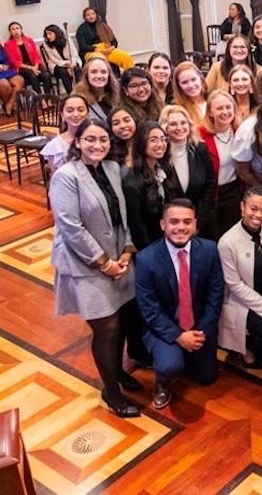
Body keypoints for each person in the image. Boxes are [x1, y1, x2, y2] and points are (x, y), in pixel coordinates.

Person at [49, 118, 143, 418]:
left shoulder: (113, 169)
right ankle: (111, 392)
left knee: (125, 319)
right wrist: (104, 263)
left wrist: (127, 248)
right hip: (87, 262)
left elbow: (123, 216)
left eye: (103, 139)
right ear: (77, 142)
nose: (97, 145)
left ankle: (118, 373)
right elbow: (70, 227)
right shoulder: (65, 176)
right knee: (107, 327)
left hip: (119, 257)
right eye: (90, 139)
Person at [135, 199, 224, 410]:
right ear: (163, 225)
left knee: (207, 377)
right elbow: (149, 308)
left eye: (187, 222)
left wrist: (202, 330)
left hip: (198, 324)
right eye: (174, 222)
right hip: (165, 326)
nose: (181, 227)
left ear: (195, 225)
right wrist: (178, 336)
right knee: (170, 365)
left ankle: (186, 353)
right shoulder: (146, 259)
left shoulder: (210, 250)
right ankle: (162, 381)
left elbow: (215, 294)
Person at [218, 187, 262, 367]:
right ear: (242, 207)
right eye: (253, 209)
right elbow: (234, 285)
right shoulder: (227, 242)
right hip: (242, 303)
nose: (258, 215)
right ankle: (243, 346)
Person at [160, 105, 214, 234]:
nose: (179, 128)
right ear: (164, 128)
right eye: (173, 124)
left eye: (183, 123)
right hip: (170, 226)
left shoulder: (200, 149)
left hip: (201, 222)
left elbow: (210, 185)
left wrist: (198, 222)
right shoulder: (160, 155)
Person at [123, 121, 178, 250]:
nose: (160, 144)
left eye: (163, 139)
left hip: (170, 239)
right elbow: (137, 226)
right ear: (142, 144)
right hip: (150, 246)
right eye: (153, 140)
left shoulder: (165, 169)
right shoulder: (132, 182)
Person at [197, 90, 242, 241]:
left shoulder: (240, 131)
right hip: (211, 195)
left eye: (228, 107)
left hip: (234, 192)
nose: (225, 112)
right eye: (219, 108)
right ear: (210, 112)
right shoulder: (200, 135)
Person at [42, 93, 89, 174]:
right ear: (62, 114)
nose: (76, 114)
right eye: (70, 111)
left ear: (88, 113)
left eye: (80, 110)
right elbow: (56, 180)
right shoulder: (55, 146)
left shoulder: (97, 137)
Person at [5, 21, 53, 94]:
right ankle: (40, 99)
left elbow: (36, 55)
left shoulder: (29, 40)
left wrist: (36, 66)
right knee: (33, 76)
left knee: (46, 75)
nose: (16, 31)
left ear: (21, 30)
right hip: (22, 67)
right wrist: (30, 68)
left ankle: (48, 96)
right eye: (13, 29)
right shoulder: (8, 44)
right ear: (10, 32)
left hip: (34, 64)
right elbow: (13, 61)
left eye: (17, 28)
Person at [73, 56, 119, 123]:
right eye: (94, 72)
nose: (99, 76)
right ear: (86, 75)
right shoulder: (77, 100)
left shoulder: (118, 95)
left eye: (103, 72)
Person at [42, 24, 78, 94]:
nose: (48, 36)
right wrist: (66, 64)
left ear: (56, 33)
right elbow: (53, 59)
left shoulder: (67, 40)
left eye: (50, 34)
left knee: (77, 69)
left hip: (71, 62)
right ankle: (71, 93)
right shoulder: (46, 45)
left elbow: (74, 54)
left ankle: (81, 92)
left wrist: (71, 65)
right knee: (63, 72)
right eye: (46, 34)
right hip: (56, 65)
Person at [172, 61, 209, 128]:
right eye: (184, 82)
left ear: (200, 78)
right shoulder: (178, 109)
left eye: (193, 79)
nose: (190, 85)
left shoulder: (213, 99)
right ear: (178, 86)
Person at [0, 43, 25, 115]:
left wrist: (4, 66)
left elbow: (7, 59)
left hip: (5, 70)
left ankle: (9, 105)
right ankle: (11, 107)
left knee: (20, 81)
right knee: (4, 84)